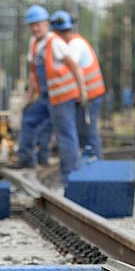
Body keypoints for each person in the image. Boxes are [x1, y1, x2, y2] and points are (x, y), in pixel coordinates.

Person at [12, 5, 88, 185]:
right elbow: (33, 75)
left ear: (46, 24)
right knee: (29, 118)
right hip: (46, 97)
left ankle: (70, 176)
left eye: (38, 24)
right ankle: (26, 159)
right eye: (32, 25)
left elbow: (75, 67)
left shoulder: (56, 42)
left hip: (62, 97)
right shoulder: (34, 44)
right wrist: (28, 100)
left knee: (65, 135)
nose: (35, 28)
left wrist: (82, 92)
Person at [50, 10, 105, 161]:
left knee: (88, 134)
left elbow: (70, 68)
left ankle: (96, 166)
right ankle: (89, 167)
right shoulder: (74, 43)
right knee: (83, 134)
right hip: (85, 98)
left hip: (89, 98)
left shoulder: (75, 44)